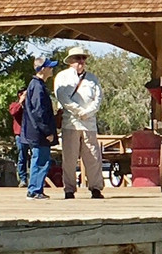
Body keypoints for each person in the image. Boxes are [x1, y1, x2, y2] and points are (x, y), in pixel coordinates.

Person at [54, 46, 104, 199]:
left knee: (93, 157)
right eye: (77, 58)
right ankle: (69, 189)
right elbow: (62, 96)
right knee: (69, 158)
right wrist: (78, 111)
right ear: (70, 61)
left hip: (89, 124)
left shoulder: (93, 78)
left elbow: (98, 98)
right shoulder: (62, 77)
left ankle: (95, 188)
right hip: (71, 124)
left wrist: (88, 112)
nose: (81, 61)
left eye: (83, 58)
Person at [21, 57, 59, 200]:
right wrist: (47, 132)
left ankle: (35, 189)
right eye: (50, 67)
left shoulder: (35, 85)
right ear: (43, 69)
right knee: (41, 161)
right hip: (39, 133)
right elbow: (39, 112)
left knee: (38, 159)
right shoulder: (37, 87)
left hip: (35, 131)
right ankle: (35, 190)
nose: (52, 69)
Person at [8, 87, 30, 187]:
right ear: (19, 95)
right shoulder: (14, 105)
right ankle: (23, 179)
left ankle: (35, 179)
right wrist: (21, 102)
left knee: (36, 156)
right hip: (20, 135)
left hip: (32, 134)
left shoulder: (32, 106)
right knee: (22, 156)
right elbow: (13, 112)